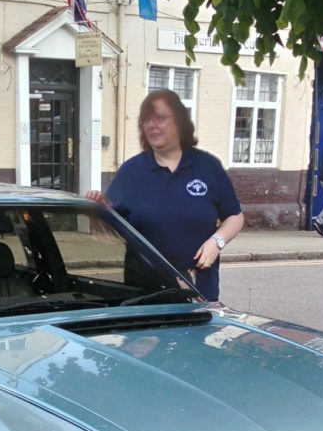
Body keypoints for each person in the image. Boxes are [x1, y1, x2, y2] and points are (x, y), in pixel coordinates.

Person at [88, 89, 244, 301]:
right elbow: (110, 228)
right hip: (145, 297)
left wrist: (217, 242)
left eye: (160, 118)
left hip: (199, 292)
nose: (152, 125)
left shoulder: (207, 167)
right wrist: (97, 211)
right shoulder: (132, 171)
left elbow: (235, 216)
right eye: (146, 121)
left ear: (179, 121)